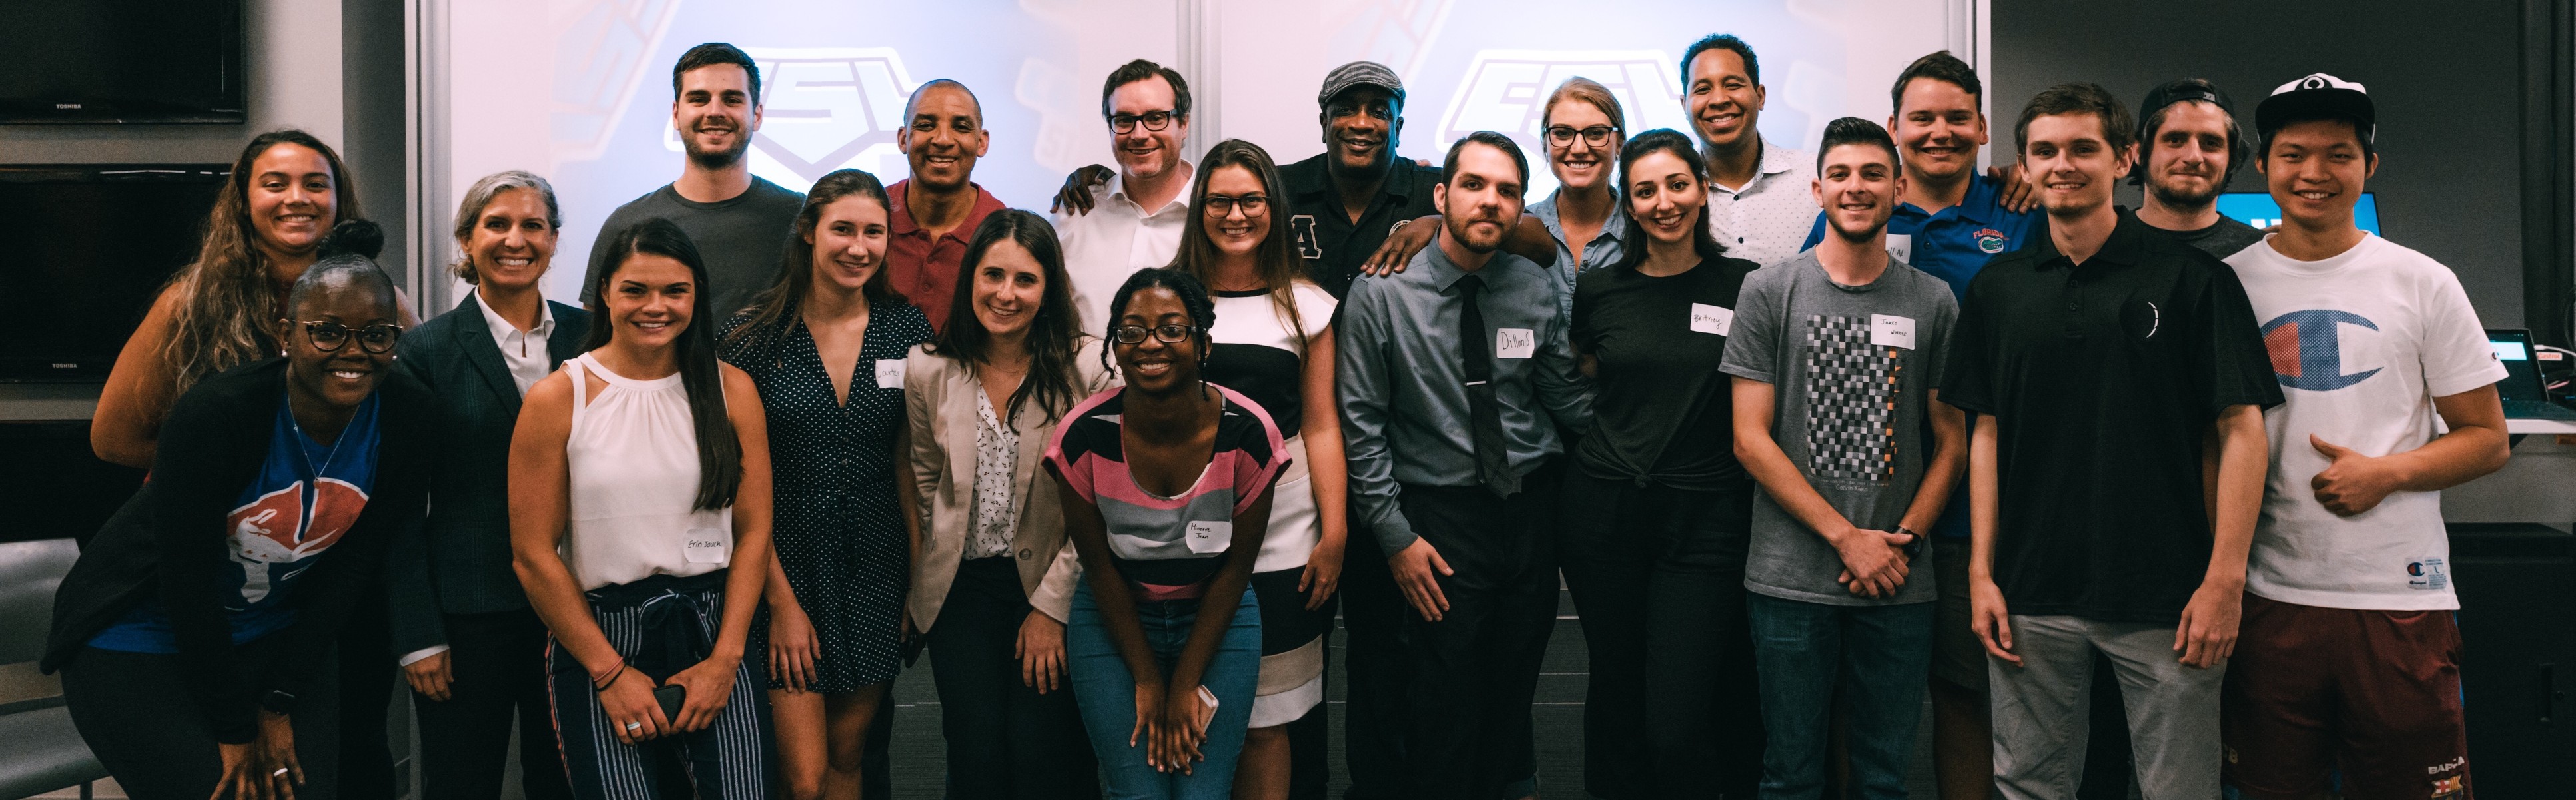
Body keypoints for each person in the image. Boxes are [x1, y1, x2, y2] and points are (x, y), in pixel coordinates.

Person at [1942, 83, 2280, 800]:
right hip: (2031, 592)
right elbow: (1987, 433)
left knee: (2177, 790)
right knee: (2029, 785)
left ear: (2123, 157)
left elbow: (2242, 431)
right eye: (2044, 151)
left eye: (2082, 148)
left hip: (2169, 595)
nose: (2062, 164)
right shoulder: (1999, 291)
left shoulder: (2196, 281)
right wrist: (1981, 572)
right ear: (2024, 166)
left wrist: (2224, 582)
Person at [47, 221, 430, 800]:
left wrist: (280, 700)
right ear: (287, 332)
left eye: (377, 334)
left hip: (270, 632)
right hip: (137, 635)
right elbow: (187, 581)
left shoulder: (407, 413)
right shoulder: (219, 415)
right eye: (327, 332)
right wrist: (234, 726)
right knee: (222, 790)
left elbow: (350, 570)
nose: (354, 352)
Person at [2220, 72, 2511, 800]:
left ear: (2369, 166)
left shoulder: (2422, 282)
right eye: (2293, 154)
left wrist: (2387, 473)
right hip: (2270, 597)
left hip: (2397, 599)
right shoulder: (2226, 286)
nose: (2313, 173)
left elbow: (2486, 438)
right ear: (2263, 164)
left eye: (2338, 154)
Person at [1793, 51, 2037, 800]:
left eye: (1957, 117)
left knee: (1967, 693)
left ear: (1983, 127)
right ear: (1895, 129)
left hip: (1975, 510)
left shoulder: (2018, 215)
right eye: (1922, 119)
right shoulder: (1855, 208)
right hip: (1866, 511)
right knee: (1847, 699)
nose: (1940, 132)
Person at [1338, 131, 1590, 800]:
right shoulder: (1383, 293)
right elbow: (1360, 427)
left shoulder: (1533, 286)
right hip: (1438, 519)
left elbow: (1563, 396)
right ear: (1442, 196)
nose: (1491, 202)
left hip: (1530, 512)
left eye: (1508, 191)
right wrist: (1394, 538)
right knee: (1441, 701)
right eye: (1475, 185)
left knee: (1512, 693)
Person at [1726, 118, 1967, 799]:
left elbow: (1952, 439)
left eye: (1870, 174)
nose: (1855, 187)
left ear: (1898, 187)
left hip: (1898, 579)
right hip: (1788, 580)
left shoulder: (1933, 299)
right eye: (1840, 174)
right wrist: (1847, 540)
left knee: (1884, 778)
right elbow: (1749, 438)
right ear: (1817, 188)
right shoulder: (1769, 290)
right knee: (1790, 775)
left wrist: (1902, 541)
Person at [512, 218, 777, 800]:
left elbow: (754, 531)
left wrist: (725, 661)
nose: (654, 306)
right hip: (599, 636)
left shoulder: (732, 389)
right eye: (635, 290)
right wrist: (608, 673)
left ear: (696, 296)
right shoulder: (558, 397)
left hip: (713, 628)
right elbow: (533, 556)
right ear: (605, 291)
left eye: (674, 291)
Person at [1555, 127, 1760, 799]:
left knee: (1677, 713)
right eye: (1645, 190)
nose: (1663, 201)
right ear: (1630, 205)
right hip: (1604, 512)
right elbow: (1588, 372)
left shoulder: (1745, 286)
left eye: (1677, 183)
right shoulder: (1602, 287)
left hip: (1705, 520)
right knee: (1616, 691)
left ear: (1703, 189)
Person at [713, 169, 931, 800]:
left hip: (876, 561)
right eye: (843, 229)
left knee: (847, 752)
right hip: (783, 561)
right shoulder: (749, 338)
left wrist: (917, 581)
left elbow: (908, 467)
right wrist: (779, 605)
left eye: (874, 232)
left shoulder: (905, 332)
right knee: (803, 778)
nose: (858, 247)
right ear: (808, 231)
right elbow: (735, 484)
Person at [1047, 268, 1287, 799]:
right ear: (1115, 346)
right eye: (1131, 331)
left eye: (1171, 329)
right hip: (1115, 619)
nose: (1150, 343)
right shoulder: (1080, 437)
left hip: (1217, 618)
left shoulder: (1250, 434)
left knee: (1202, 793)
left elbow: (1235, 570)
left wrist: (1184, 682)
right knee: (1139, 795)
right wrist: (1148, 679)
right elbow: (1100, 568)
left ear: (1203, 342)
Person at [389, 171, 588, 800]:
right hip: (469, 615)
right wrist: (418, 633)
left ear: (554, 240)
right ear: (467, 241)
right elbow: (397, 504)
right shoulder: (426, 350)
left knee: (566, 783)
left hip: (580, 608)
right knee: (460, 784)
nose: (515, 239)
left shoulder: (594, 338)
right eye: (496, 224)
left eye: (533, 225)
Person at [905, 209, 1114, 799]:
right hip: (961, 592)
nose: (1005, 293)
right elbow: (927, 478)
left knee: (1045, 756)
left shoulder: (1090, 369)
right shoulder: (930, 365)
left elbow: (1099, 503)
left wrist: (1051, 608)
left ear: (1049, 290)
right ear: (970, 277)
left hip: (1050, 585)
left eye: (1025, 280)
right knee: (975, 756)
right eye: (992, 275)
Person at [1164, 139, 1348, 800]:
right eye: (1219, 201)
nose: (1235, 214)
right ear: (1200, 210)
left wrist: (1334, 535)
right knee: (1187, 711)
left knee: (1270, 722)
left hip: (1283, 537)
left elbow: (1323, 424)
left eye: (1250, 200)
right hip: (1178, 536)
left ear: (1274, 207)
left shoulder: (1307, 305)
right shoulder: (1168, 299)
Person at [579, 43, 807, 320]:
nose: (714, 111)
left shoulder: (799, 217)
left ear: (757, 115)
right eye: (699, 98)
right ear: (676, 114)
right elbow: (596, 337)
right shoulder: (628, 223)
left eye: (732, 99)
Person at [1052, 59, 1197, 332]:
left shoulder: (1216, 217)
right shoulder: (1075, 213)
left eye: (1156, 118)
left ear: (1184, 123)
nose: (1139, 134)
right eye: (1124, 120)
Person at [889, 79, 1009, 334]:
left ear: (981, 142)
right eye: (925, 125)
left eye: (961, 127)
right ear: (903, 138)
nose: (943, 139)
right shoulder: (871, 217)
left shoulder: (1005, 233)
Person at [1682, 34, 1815, 266]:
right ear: (1685, 105)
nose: (1719, 99)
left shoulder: (1814, 177)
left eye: (1733, 85)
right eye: (1703, 89)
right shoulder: (1670, 194)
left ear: (1760, 96)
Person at [2133, 79, 2268, 258]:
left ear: (2233, 159)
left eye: (2211, 143)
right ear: (2139, 152)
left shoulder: (2261, 255)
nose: (2193, 157)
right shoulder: (2096, 247)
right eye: (2175, 140)